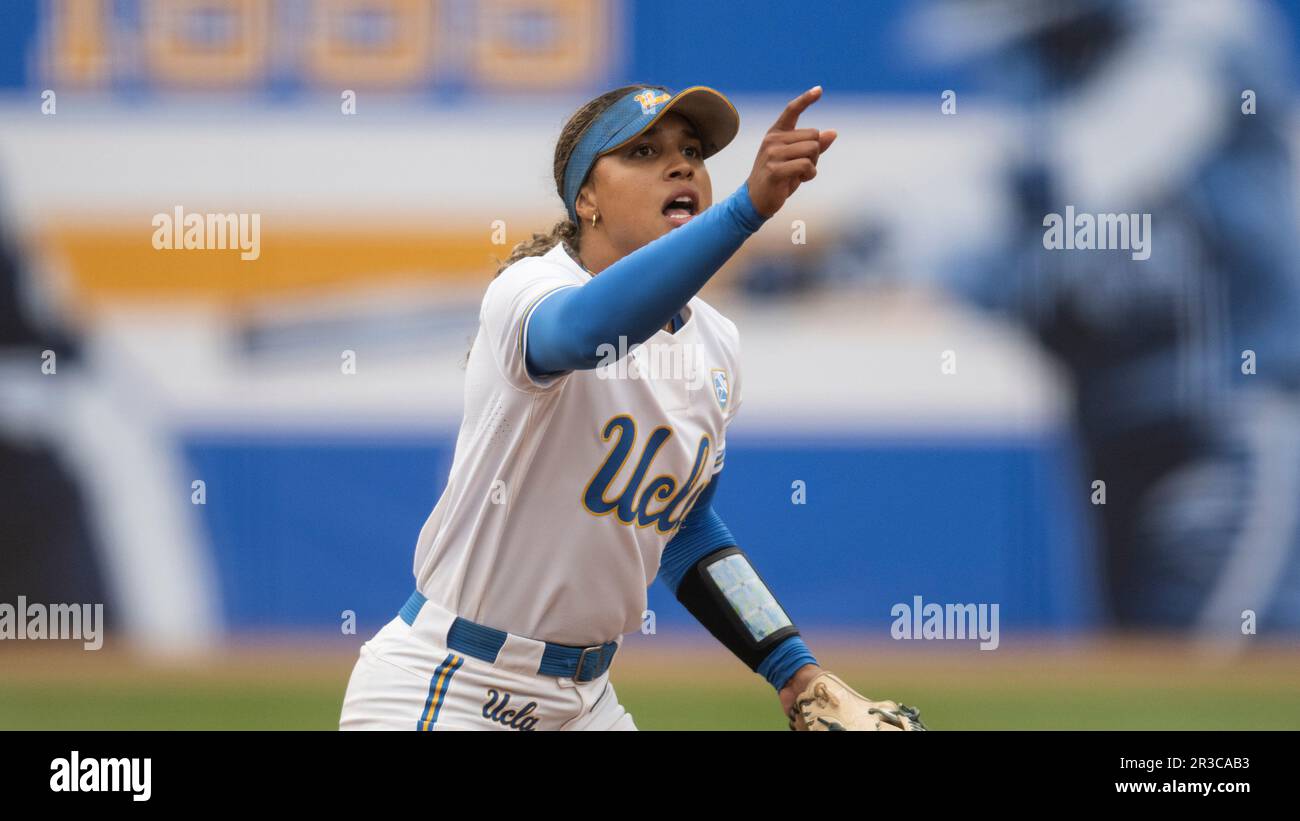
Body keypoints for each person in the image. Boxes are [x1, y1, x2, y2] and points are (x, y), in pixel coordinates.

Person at [340, 83, 911, 730]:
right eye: (643, 150)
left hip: (583, 701)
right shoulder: (531, 288)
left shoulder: (715, 345)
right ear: (585, 198)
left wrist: (792, 667)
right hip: (450, 684)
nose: (680, 165)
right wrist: (746, 211)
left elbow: (685, 527)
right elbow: (585, 334)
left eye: (692, 150)